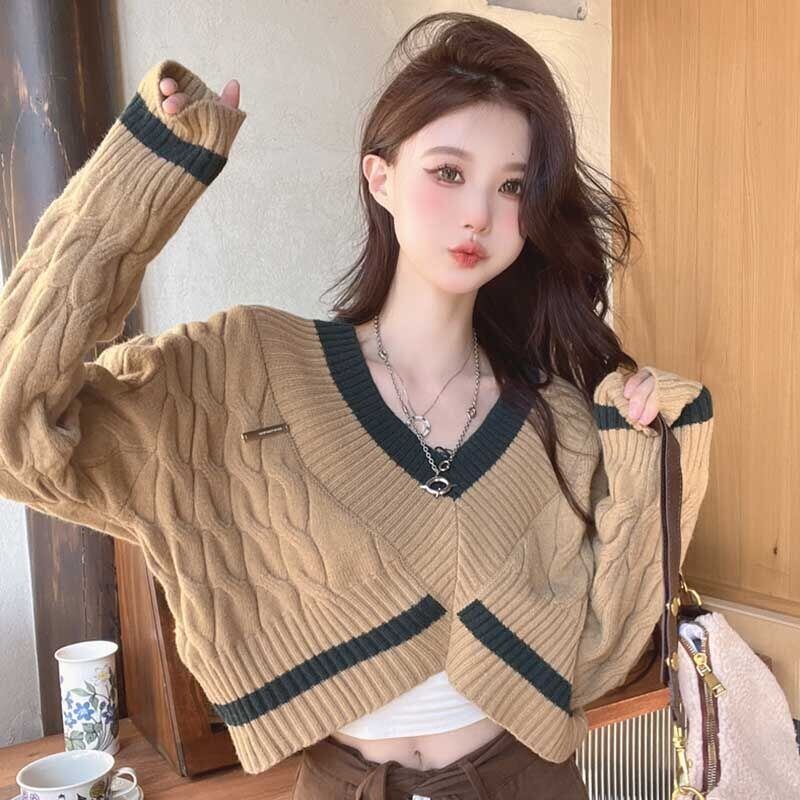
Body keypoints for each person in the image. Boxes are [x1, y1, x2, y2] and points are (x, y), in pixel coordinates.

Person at [0, 11, 713, 800]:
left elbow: (604, 653)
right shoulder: (244, 370)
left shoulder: (561, 420)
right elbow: (14, 428)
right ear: (380, 177)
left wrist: (649, 452)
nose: (478, 213)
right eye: (448, 172)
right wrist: (136, 190)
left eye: (512, 186)